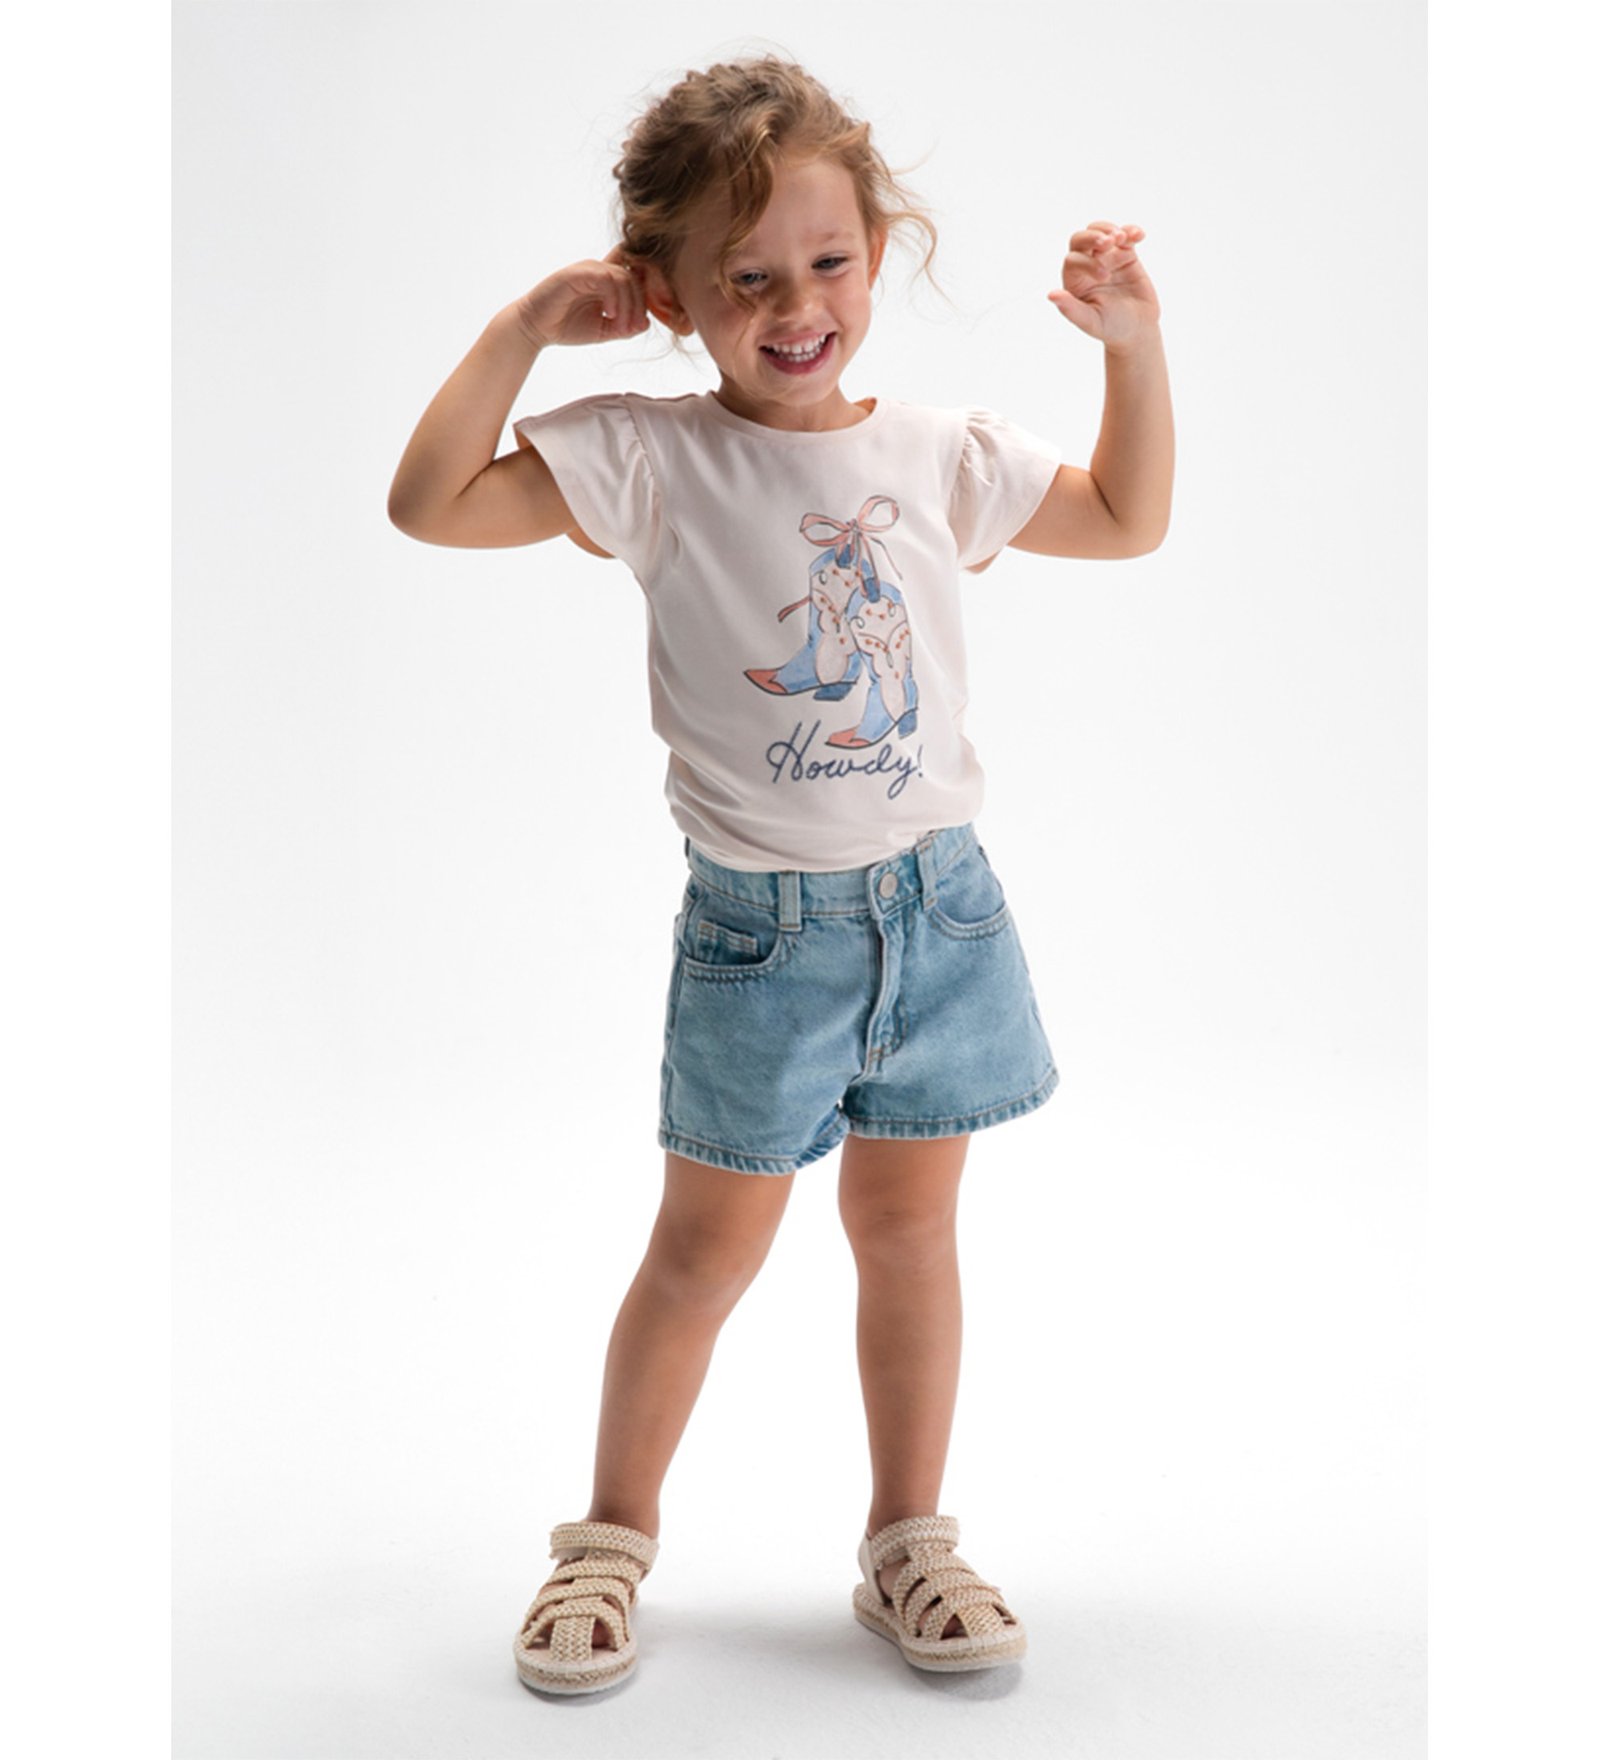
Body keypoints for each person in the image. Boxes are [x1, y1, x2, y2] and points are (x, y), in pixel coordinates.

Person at [387, 53, 1173, 1696]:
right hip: (764, 940)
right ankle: (607, 1540)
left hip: (943, 917)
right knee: (703, 1254)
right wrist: (527, 326)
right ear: (670, 294)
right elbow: (430, 503)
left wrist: (1133, 348)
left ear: (878, 254)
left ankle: (908, 1539)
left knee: (911, 1234)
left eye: (826, 262)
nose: (796, 306)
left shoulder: (943, 451)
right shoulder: (651, 457)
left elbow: (1124, 518)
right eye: (744, 280)